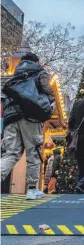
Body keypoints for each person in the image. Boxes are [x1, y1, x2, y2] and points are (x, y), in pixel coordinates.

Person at [1, 52, 55, 200]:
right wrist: (49, 104)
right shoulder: (39, 72)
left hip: (11, 117)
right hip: (31, 117)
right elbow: (47, 91)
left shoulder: (15, 76)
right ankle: (32, 189)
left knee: (10, 153)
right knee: (34, 151)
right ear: (37, 61)